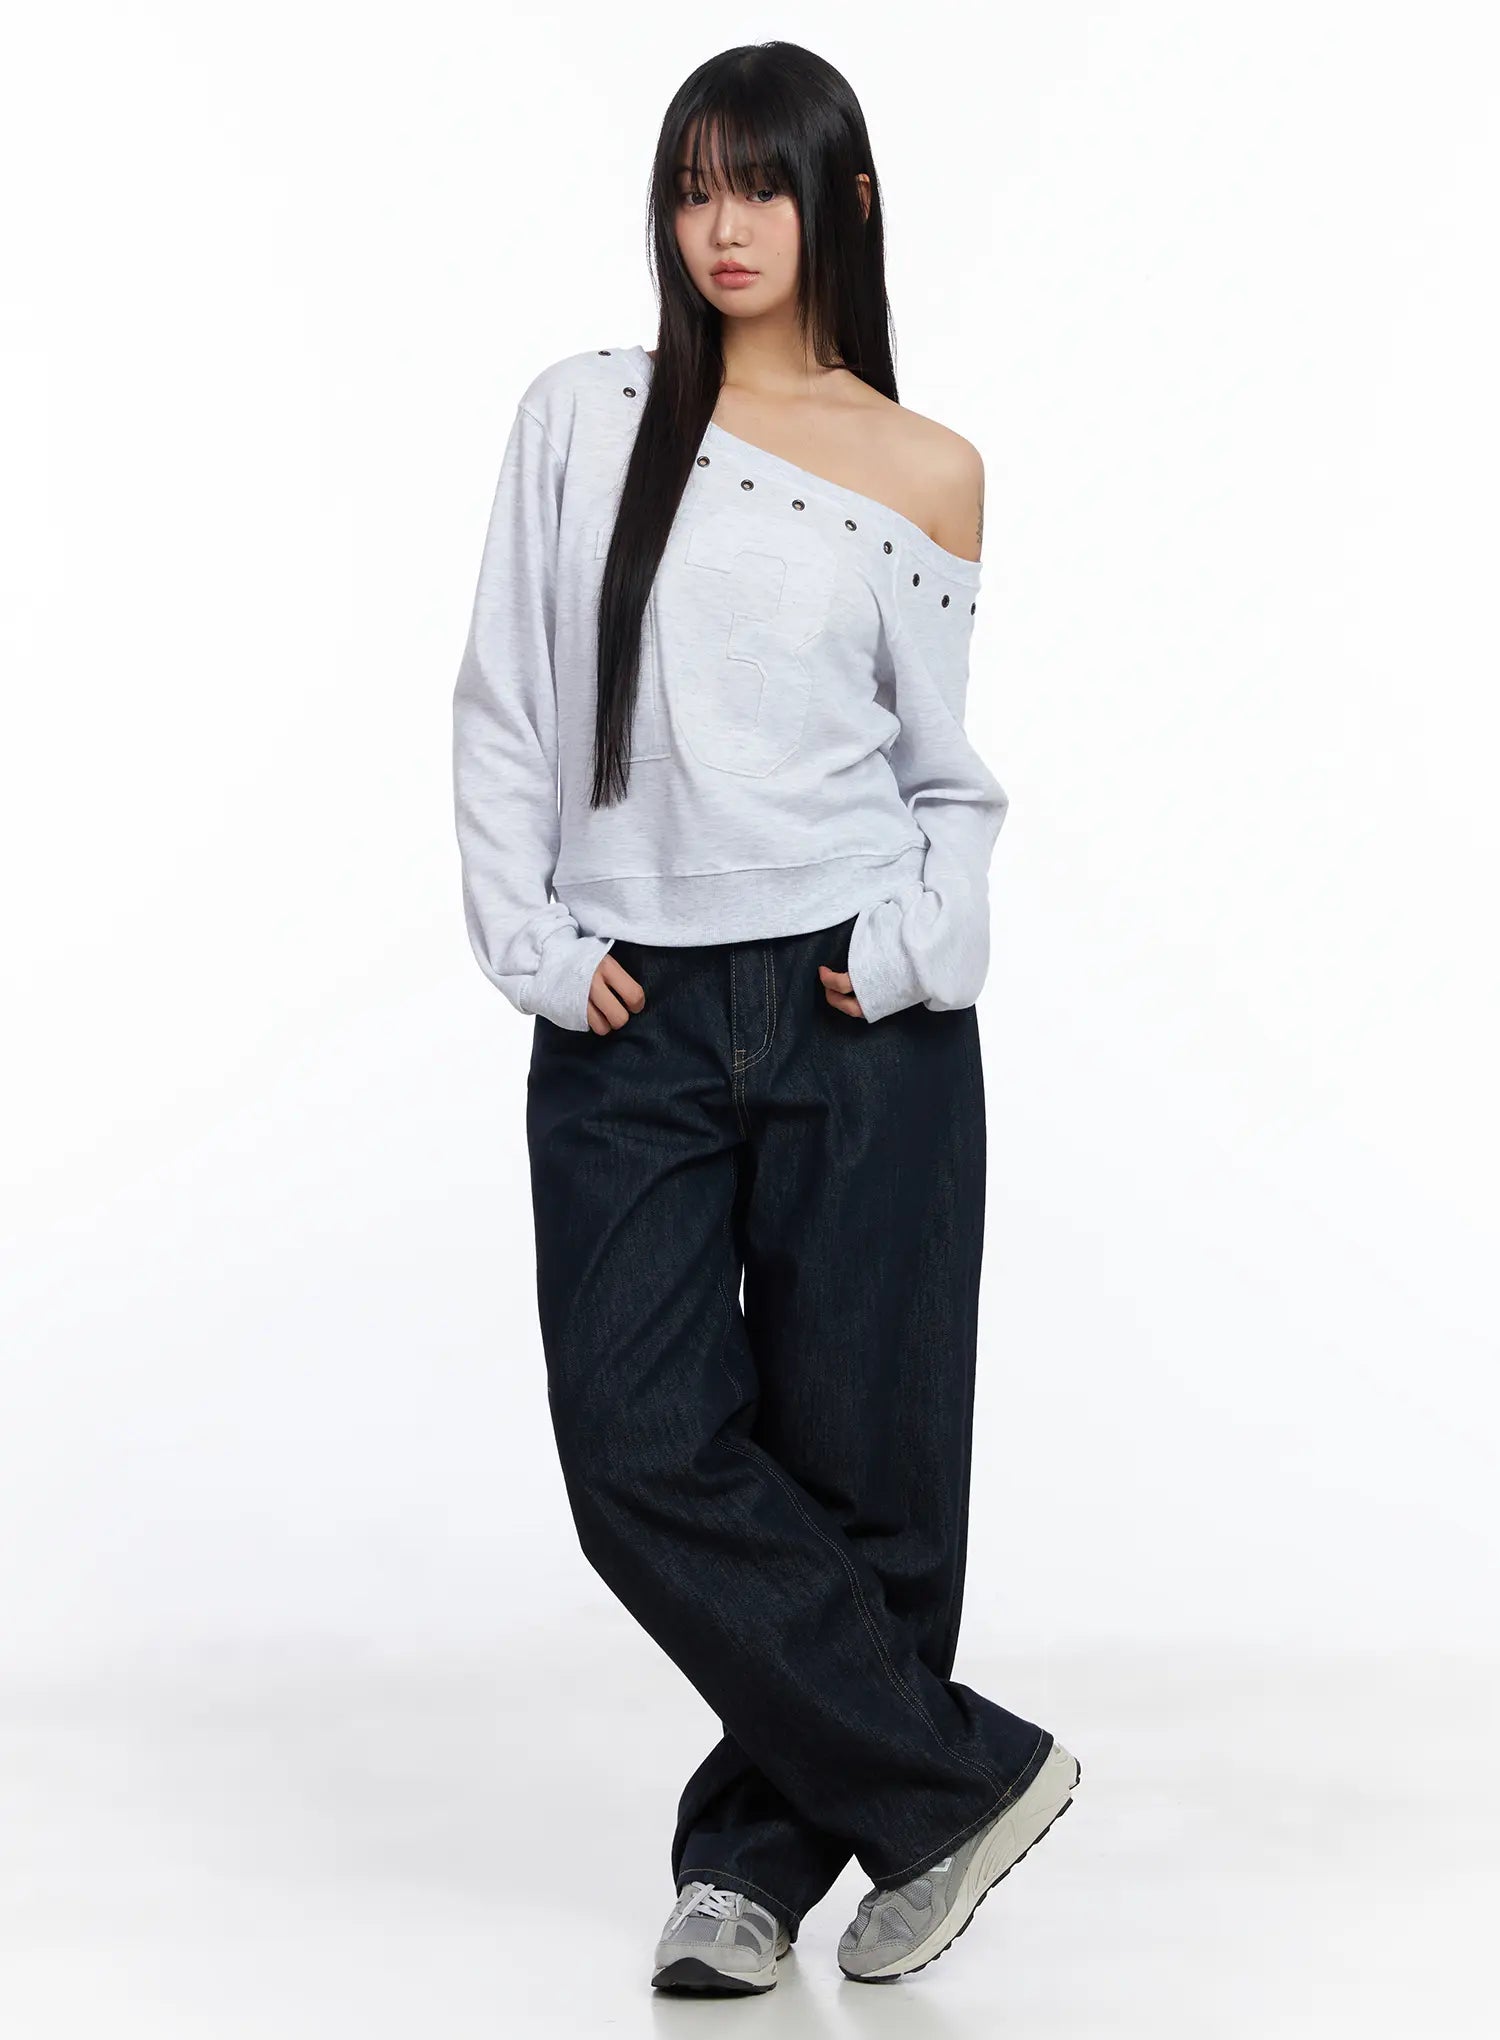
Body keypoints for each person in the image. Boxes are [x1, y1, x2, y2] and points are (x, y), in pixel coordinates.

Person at [450, 40, 1079, 1996]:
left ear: (842, 204)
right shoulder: (584, 416)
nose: (721, 227)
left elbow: (946, 779)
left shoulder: (923, 467)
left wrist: (910, 953)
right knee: (640, 1447)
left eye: (761, 185)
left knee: (867, 1477)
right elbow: (504, 709)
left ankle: (744, 1870)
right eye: (691, 186)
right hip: (630, 1014)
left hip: (853, 1006)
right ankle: (958, 1783)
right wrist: (536, 947)